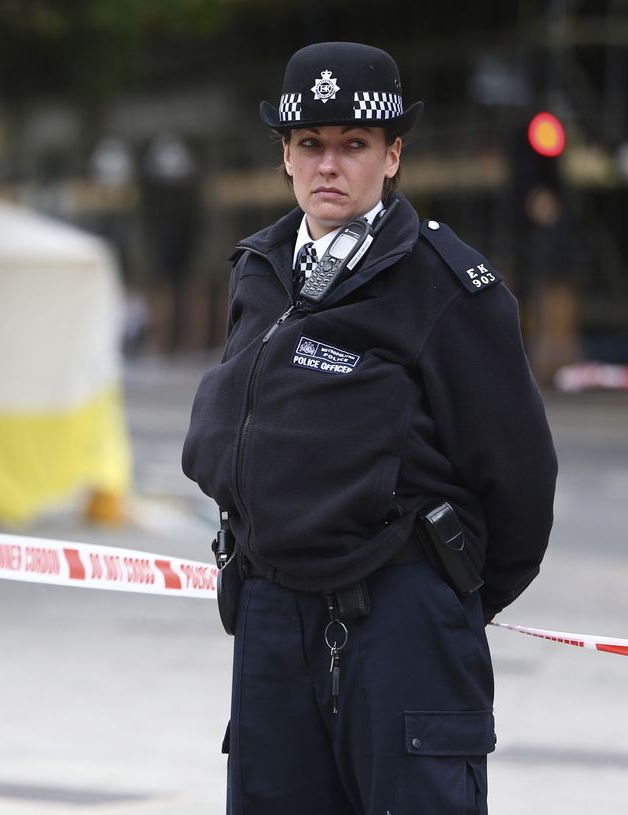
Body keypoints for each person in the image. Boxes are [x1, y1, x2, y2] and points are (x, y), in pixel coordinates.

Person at [181, 42, 557, 814]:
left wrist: (444, 597)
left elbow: (521, 481)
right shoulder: (259, 269)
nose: (330, 165)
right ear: (284, 155)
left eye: (354, 145)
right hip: (272, 611)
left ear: (392, 156)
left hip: (399, 618)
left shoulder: (448, 287)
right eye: (310, 144)